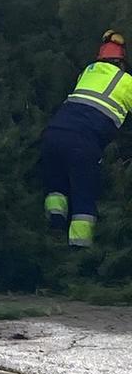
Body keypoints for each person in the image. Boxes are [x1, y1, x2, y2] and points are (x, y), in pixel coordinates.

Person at [40, 30, 132, 249]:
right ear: (121, 63)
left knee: (56, 185)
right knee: (84, 193)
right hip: (83, 141)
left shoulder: (88, 71)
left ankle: (54, 229)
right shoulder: (126, 81)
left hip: (53, 133)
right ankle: (79, 250)